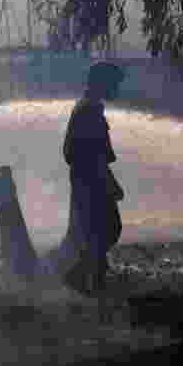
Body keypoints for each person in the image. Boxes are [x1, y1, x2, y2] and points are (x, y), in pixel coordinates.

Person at [60, 60, 126, 321]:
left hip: (88, 182)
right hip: (91, 184)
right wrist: (109, 184)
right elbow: (94, 156)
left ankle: (94, 283)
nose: (117, 89)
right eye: (114, 84)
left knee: (100, 232)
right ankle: (79, 277)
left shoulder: (87, 108)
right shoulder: (89, 111)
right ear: (103, 83)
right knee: (108, 229)